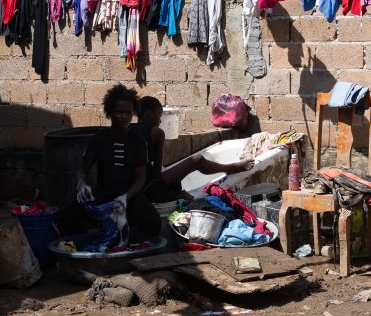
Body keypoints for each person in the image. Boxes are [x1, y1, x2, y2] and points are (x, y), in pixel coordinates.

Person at [56, 84, 161, 239]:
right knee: (63, 217)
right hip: (103, 194)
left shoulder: (138, 142)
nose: (124, 116)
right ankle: (92, 239)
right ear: (110, 112)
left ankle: (126, 241)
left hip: (130, 196)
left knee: (153, 222)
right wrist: (82, 184)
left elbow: (141, 178)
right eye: (119, 112)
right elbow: (83, 170)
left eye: (128, 113)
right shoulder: (99, 139)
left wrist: (125, 198)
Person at [130, 96, 254, 203]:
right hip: (148, 187)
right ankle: (230, 168)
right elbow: (157, 173)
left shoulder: (129, 129)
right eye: (159, 115)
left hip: (132, 185)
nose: (160, 120)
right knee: (197, 160)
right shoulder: (156, 132)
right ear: (149, 114)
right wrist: (173, 193)